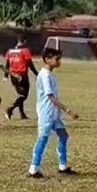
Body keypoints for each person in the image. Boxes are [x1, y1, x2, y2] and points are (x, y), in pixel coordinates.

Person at [29, 48, 79, 178]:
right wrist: (68, 111)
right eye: (57, 59)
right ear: (47, 60)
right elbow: (50, 97)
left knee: (63, 136)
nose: (59, 61)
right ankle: (33, 169)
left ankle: (63, 166)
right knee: (43, 138)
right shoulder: (45, 75)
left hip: (54, 112)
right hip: (47, 112)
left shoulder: (50, 74)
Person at [4, 38, 36, 120]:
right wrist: (36, 73)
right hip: (22, 76)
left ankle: (22, 114)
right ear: (24, 41)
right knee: (24, 95)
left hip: (13, 76)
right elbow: (30, 63)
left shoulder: (10, 51)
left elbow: (7, 64)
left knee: (20, 95)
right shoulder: (25, 51)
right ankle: (10, 109)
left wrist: (6, 75)